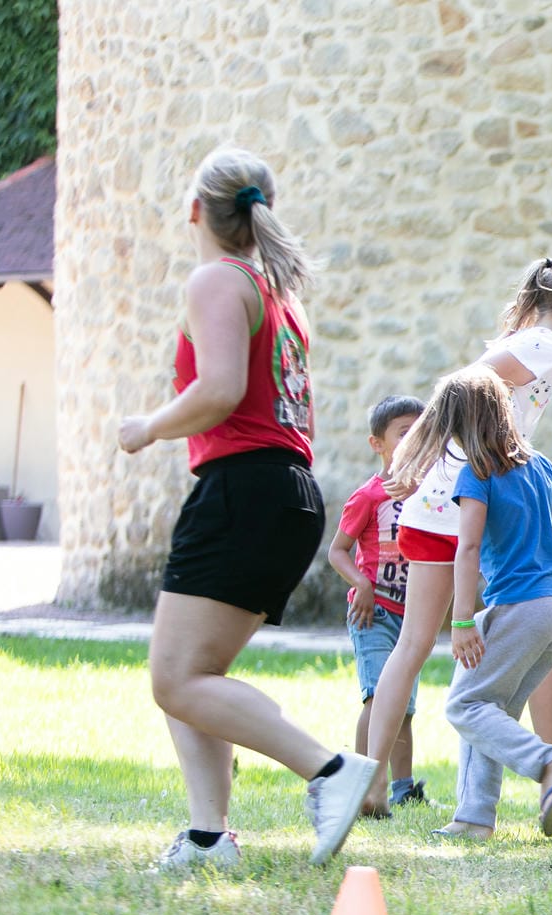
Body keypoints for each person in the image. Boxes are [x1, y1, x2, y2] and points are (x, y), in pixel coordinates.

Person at [118, 147, 379, 870]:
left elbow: (221, 388)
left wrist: (149, 426)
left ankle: (330, 770)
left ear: (196, 210)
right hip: (286, 491)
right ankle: (208, 835)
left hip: (244, 489)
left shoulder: (215, 281)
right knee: (195, 675)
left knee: (175, 678)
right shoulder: (276, 294)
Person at [368, 258, 552, 819]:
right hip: (452, 509)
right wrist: (421, 451)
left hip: (458, 502)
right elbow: (463, 388)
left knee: (449, 657)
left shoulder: (537, 346)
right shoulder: (548, 344)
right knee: (440, 653)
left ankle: (379, 785)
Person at [433, 368, 552, 839]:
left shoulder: (476, 472)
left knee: (464, 705)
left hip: (517, 606)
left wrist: (462, 619)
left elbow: (467, 548)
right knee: (489, 708)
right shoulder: (539, 465)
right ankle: (474, 817)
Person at [325, 394, 429, 811]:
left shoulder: (427, 494)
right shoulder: (369, 497)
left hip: (411, 616)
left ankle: (403, 787)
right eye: (405, 432)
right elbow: (337, 551)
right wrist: (361, 586)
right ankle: (363, 782)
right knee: (377, 697)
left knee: (404, 705)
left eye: (421, 432)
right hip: (373, 614)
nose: (415, 440)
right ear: (378, 444)